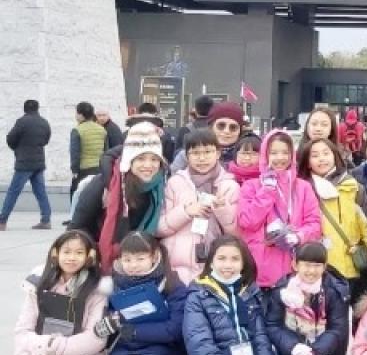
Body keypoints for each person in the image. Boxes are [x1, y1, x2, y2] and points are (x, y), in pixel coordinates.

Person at [0, 230, 109, 355]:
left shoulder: (96, 290)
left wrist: (54, 346)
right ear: (55, 253)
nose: (72, 258)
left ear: (89, 257)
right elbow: (23, 330)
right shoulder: (39, 284)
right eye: (67, 252)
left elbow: (95, 339)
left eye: (79, 253)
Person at [97, 232, 189, 355]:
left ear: (154, 256)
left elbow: (175, 327)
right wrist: (108, 322)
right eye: (127, 259)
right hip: (124, 346)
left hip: (160, 346)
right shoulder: (114, 284)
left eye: (140, 259)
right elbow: (109, 314)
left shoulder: (171, 283)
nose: (133, 265)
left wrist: (136, 332)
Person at [265, 241, 350, 355]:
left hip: (320, 340)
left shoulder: (332, 291)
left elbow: (338, 327)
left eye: (317, 265)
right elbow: (273, 325)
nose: (311, 271)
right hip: (293, 338)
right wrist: (293, 346)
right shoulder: (282, 290)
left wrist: (315, 350)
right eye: (306, 265)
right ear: (295, 265)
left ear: (324, 267)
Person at [72, 123, 169, 270]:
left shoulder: (160, 185)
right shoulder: (104, 184)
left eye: (154, 159)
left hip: (141, 261)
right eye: (141, 159)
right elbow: (77, 227)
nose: (148, 165)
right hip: (100, 260)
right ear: (129, 160)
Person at [236, 129, 322, 288]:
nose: (280, 158)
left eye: (285, 152)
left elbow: (315, 224)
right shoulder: (251, 186)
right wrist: (267, 191)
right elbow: (247, 222)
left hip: (296, 270)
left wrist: (299, 236)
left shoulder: (303, 187)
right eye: (274, 153)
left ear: (292, 155)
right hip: (260, 270)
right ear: (265, 155)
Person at [300, 137, 367, 312]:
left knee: (344, 320)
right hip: (313, 267)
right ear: (307, 162)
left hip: (348, 267)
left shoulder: (353, 187)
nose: (322, 158)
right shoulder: (302, 189)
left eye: (326, 153)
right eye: (315, 155)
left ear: (335, 156)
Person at [160, 128, 241, 285]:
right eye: (195, 153)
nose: (202, 158)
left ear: (218, 154)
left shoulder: (229, 186)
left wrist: (223, 211)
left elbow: (237, 235)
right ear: (186, 156)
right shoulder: (175, 183)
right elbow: (159, 228)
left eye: (207, 152)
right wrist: (185, 212)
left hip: (215, 269)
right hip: (176, 269)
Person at [2, 99, 52, 231]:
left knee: (13, 192)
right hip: (39, 162)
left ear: (24, 109)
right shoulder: (44, 122)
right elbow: (46, 140)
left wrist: (17, 148)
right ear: (37, 108)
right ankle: (46, 220)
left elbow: (10, 138)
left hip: (24, 163)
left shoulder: (22, 121)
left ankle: (2, 220)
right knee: (41, 192)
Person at [68, 100, 108, 207]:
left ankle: (75, 215)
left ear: (81, 115)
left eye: (77, 113)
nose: (76, 116)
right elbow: (106, 150)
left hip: (83, 169)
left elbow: (75, 153)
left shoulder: (77, 130)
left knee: (76, 194)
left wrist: (74, 170)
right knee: (96, 195)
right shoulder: (102, 129)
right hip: (99, 168)